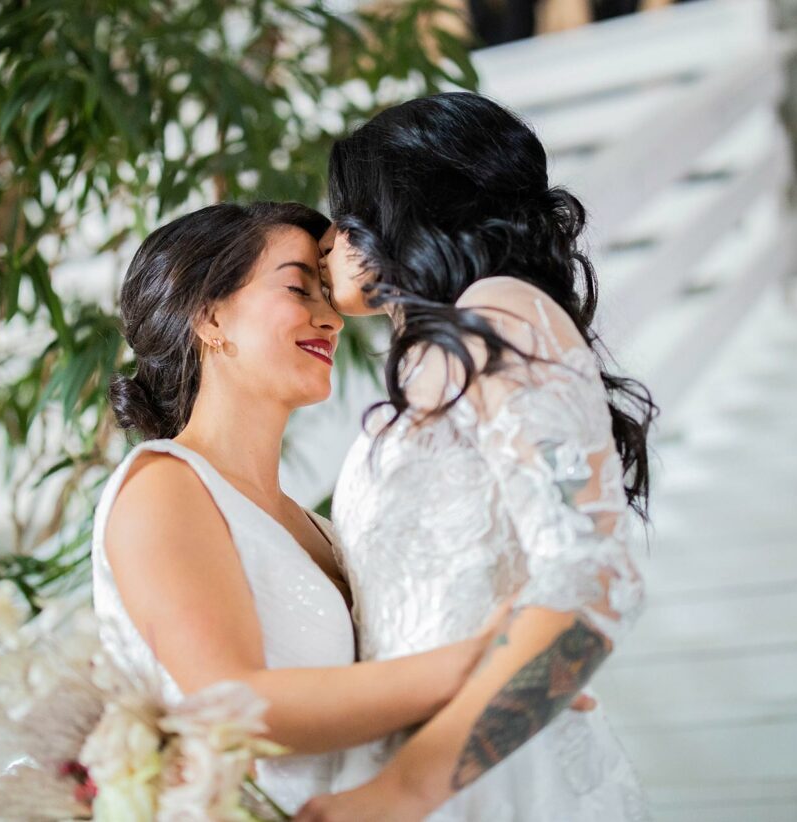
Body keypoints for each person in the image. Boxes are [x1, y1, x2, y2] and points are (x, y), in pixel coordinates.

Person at [297, 91, 657, 821]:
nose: (326, 241)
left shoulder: (500, 312)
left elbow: (594, 575)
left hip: (488, 778)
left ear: (401, 212)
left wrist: (400, 792)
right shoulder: (438, 356)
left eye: (347, 214)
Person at [91, 201, 510, 814]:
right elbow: (231, 707)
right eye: (298, 288)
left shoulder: (319, 527)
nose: (331, 321)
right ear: (208, 315)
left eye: (328, 297)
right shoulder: (164, 487)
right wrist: (482, 662)